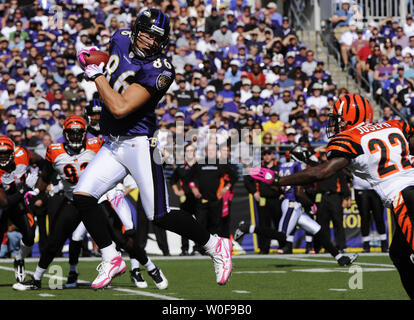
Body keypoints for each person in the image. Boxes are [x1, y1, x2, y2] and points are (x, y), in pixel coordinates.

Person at [74, 8, 232, 289]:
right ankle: (111, 256)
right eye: (146, 33)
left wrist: (96, 76)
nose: (150, 41)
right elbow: (109, 61)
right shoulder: (120, 38)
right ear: (135, 31)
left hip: (140, 144)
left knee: (160, 215)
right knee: (83, 196)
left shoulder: (161, 70)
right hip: (113, 143)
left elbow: (120, 108)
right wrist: (91, 56)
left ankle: (215, 245)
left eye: (156, 37)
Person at [249, 93, 414, 299]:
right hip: (409, 190)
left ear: (351, 118)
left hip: (403, 198)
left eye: (338, 119)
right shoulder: (394, 125)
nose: (334, 124)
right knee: (398, 254)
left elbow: (322, 173)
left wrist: (277, 181)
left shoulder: (350, 138)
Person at [12, 116, 167, 291]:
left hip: (96, 199)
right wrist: (36, 191)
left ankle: (152, 268)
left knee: (121, 238)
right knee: (54, 241)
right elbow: (46, 175)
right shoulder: (54, 151)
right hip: (72, 200)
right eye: (72, 133)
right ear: (65, 134)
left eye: (80, 133)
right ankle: (37, 279)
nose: (76, 137)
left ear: (85, 133)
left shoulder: (98, 144)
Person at [237, 145, 357, 266]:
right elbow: (299, 192)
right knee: (282, 236)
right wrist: (310, 204)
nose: (305, 157)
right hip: (292, 204)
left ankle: (340, 258)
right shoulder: (299, 166)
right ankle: (247, 228)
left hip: (294, 205)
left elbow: (277, 185)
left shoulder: (282, 165)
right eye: (303, 154)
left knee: (318, 231)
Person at [0, 135, 42, 283]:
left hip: (17, 200)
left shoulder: (22, 154)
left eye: (6, 153)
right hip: (4, 201)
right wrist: (25, 189)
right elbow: (4, 203)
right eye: (0, 153)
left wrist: (44, 177)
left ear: (13, 152)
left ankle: (19, 259)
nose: (3, 156)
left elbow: (41, 161)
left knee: (30, 234)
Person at [352, 174, 388, 253]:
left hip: (375, 188)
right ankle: (366, 245)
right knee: (364, 217)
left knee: (379, 217)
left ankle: (384, 244)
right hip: (360, 188)